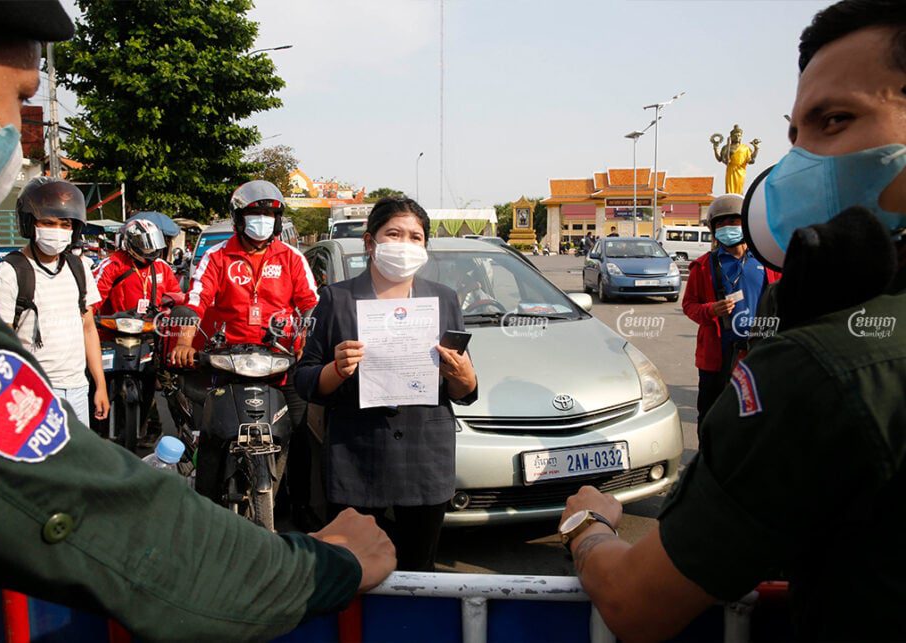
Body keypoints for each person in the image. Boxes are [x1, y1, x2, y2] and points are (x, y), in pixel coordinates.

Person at [0, 3, 394, 640]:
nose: (18, 131)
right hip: (210, 364)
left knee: (298, 441)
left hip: (272, 366)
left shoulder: (292, 259)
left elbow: (309, 303)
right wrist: (315, 568)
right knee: (202, 440)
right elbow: (85, 514)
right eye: (23, 99)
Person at [559, 2, 906, 641]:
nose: (801, 159)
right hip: (716, 361)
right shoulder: (747, 284)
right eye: (795, 134)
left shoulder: (819, 367)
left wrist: (588, 527)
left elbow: (638, 602)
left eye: (836, 119)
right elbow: (689, 309)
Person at [294, 197, 479, 572]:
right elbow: (305, 379)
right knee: (355, 573)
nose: (405, 245)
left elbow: (466, 390)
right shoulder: (337, 299)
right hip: (357, 461)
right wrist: (336, 369)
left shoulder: (443, 299)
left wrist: (463, 376)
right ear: (370, 242)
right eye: (394, 234)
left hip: (425, 460)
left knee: (419, 574)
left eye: (415, 237)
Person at [170, 180, 319, 513]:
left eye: (269, 213)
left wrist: (306, 338)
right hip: (227, 362)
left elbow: (310, 303)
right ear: (239, 217)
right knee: (211, 434)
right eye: (255, 212)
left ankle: (299, 509)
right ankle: (206, 508)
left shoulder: (292, 258)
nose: (263, 219)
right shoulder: (217, 257)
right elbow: (196, 300)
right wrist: (182, 340)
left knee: (298, 432)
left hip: (281, 361)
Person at [0, 177, 110, 426]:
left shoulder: (80, 268)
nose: (57, 231)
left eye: (65, 224)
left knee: (77, 463)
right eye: (48, 222)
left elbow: (88, 329)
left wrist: (100, 385)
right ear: (30, 224)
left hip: (77, 388)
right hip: (31, 392)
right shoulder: (8, 274)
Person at [681, 194, 780, 430]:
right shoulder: (703, 266)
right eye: (720, 224)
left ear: (746, 224)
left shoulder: (768, 263)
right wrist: (710, 309)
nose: (727, 228)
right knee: (711, 414)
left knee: (758, 415)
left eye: (733, 222)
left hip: (758, 351)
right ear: (713, 229)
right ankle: (708, 461)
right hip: (717, 354)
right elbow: (689, 305)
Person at [93, 218, 183, 441]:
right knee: (93, 377)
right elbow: (92, 298)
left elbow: (176, 295)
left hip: (148, 334)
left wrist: (171, 308)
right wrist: (92, 316)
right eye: (145, 244)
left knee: (156, 377)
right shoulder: (113, 265)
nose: (150, 250)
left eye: (153, 244)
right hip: (110, 335)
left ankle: (153, 425)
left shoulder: (161, 267)